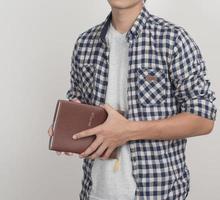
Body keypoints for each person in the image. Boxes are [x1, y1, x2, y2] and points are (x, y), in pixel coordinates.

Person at [48, 0, 217, 199]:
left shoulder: (173, 39)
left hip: (157, 193)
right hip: (95, 192)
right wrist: (67, 127)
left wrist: (128, 131)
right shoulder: (85, 43)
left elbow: (203, 119)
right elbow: (79, 102)